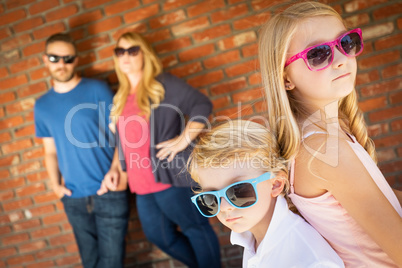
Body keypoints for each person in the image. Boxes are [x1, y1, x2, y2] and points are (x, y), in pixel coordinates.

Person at [258, 2, 402, 267]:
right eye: (318, 54)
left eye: (346, 42)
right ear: (285, 78)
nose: (341, 59)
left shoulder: (319, 135)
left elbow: (385, 199)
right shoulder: (323, 148)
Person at [98, 31, 221, 268]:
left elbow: (202, 104)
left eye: (133, 50)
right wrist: (116, 169)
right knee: (159, 236)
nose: (126, 56)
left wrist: (184, 139)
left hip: (170, 176)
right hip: (140, 183)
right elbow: (122, 143)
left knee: (195, 228)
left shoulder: (163, 84)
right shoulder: (120, 98)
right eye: (120, 51)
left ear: (145, 54)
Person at [187, 120, 344, 267]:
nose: (224, 207)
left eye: (238, 190)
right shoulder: (253, 240)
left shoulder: (310, 261)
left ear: (275, 184)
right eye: (210, 198)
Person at [34, 33, 129, 268]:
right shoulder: (42, 105)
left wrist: (118, 169)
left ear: (76, 60)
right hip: (73, 197)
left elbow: (123, 135)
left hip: (108, 189)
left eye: (67, 58)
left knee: (111, 263)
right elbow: (50, 151)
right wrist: (56, 185)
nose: (61, 64)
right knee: (90, 262)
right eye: (55, 58)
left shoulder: (97, 89)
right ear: (45, 59)